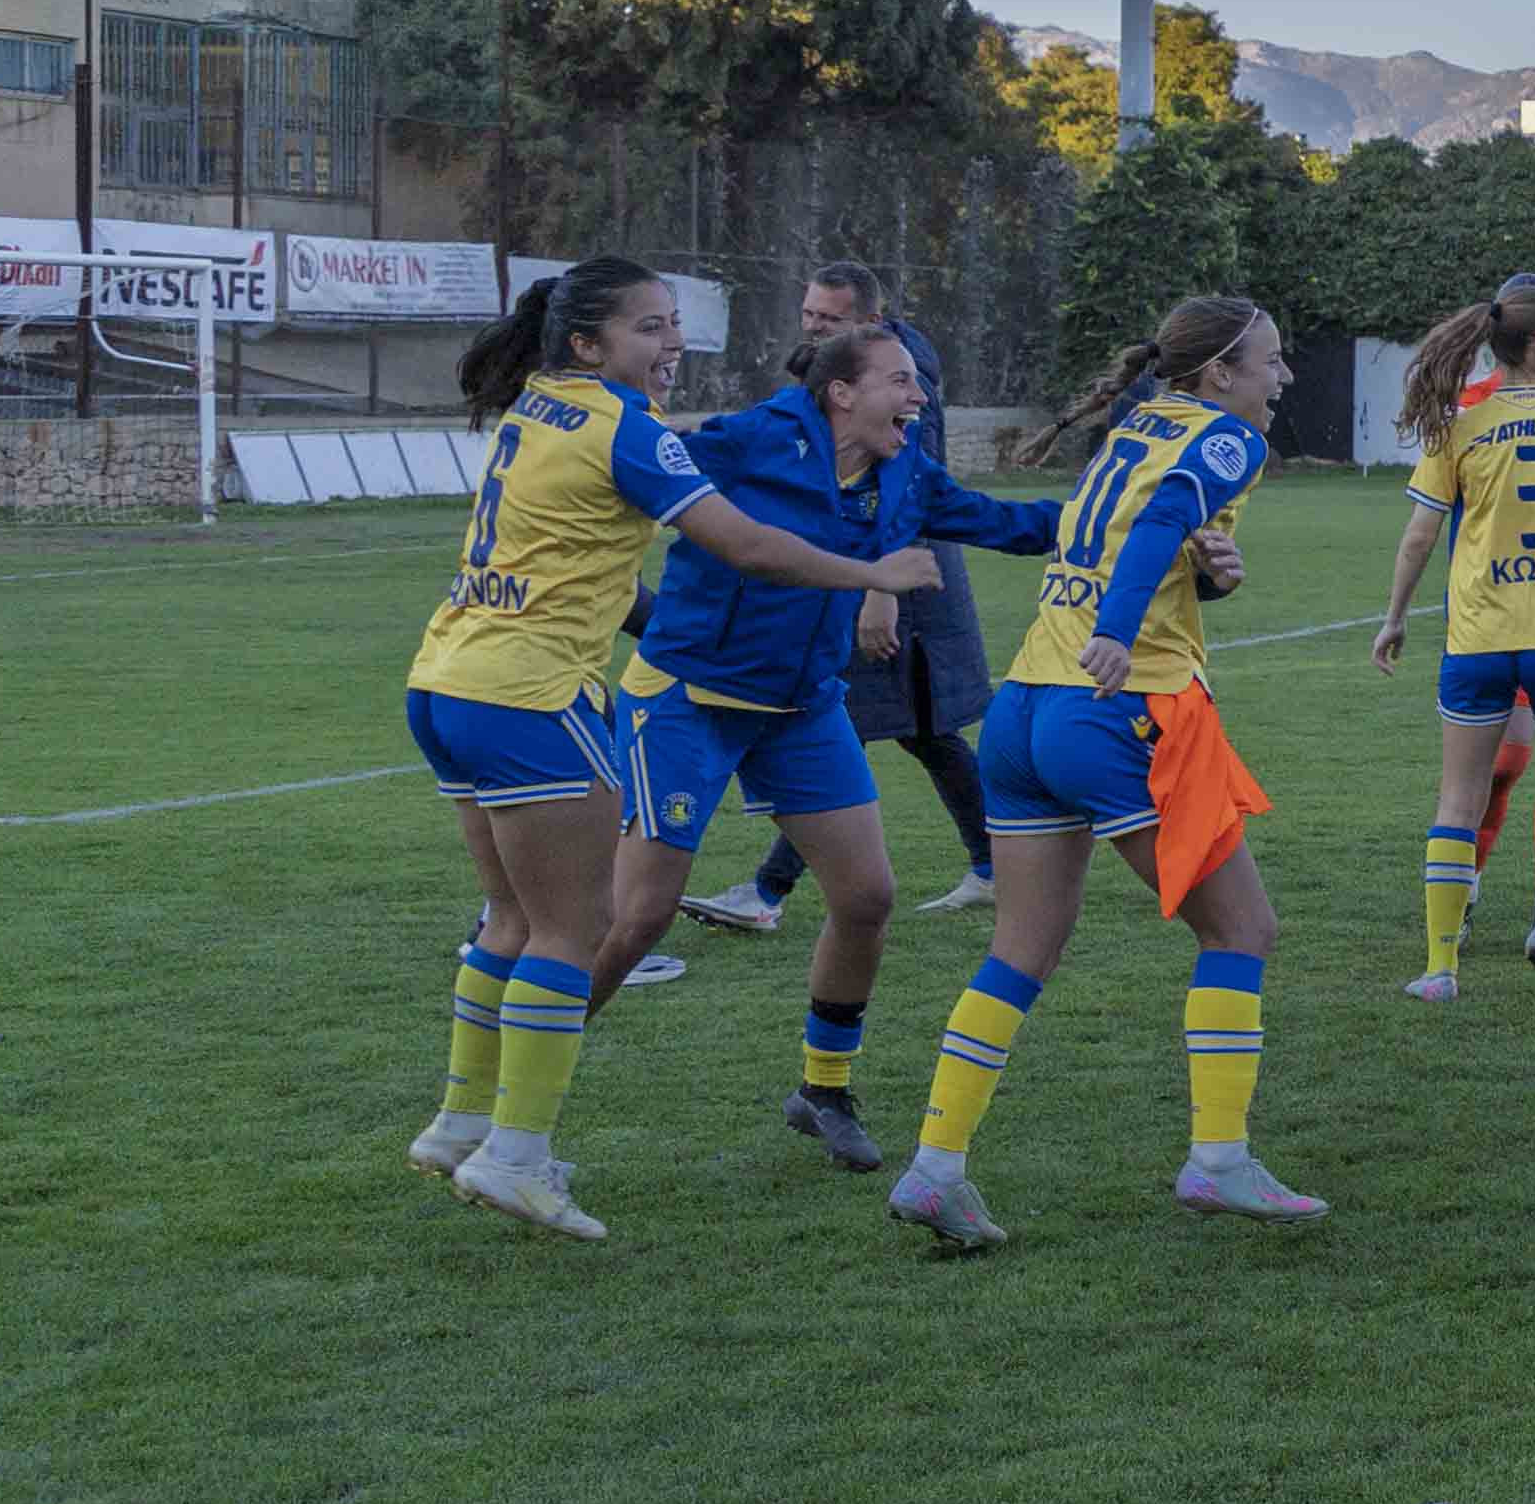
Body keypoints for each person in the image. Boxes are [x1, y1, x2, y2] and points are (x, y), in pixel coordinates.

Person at [403, 259, 942, 1243]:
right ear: (587, 343)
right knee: (579, 927)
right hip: (531, 695)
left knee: (513, 917)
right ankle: (515, 1155)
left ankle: (458, 1120)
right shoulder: (626, 428)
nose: (672, 345)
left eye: (672, 325)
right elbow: (748, 546)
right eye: (650, 329)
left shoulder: (538, 401)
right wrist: (874, 571)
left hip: (445, 677)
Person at [579, 322, 1067, 1168]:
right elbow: (626, 482)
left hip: (803, 705)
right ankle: (518, 1083)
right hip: (689, 697)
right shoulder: (750, 440)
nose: (919, 399)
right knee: (638, 916)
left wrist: (1143, 525)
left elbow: (1015, 523)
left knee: (868, 895)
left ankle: (823, 1088)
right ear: (841, 392)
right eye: (901, 382)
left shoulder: (906, 473)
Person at [887, 295, 1310, 1253]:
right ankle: (1218, 1160)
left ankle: (935, 1168)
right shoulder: (1227, 438)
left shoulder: (1138, 424)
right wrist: (1118, 635)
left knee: (1019, 950)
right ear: (1219, 375)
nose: (1283, 379)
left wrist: (1209, 575)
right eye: (1272, 363)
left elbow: (1140, 539)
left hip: (1025, 706)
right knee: (1242, 928)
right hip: (1113, 708)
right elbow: (1161, 521)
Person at [683, 262, 1002, 936]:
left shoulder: (898, 377)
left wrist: (877, 595)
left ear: (869, 321)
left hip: (893, 580)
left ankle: (767, 891)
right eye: (808, 315)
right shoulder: (862, 369)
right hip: (885, 573)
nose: (812, 327)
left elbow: (908, 484)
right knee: (924, 730)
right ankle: (996, 862)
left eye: (828, 319)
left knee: (837, 720)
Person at [1372, 275, 1535, 1005]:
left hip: (1478, 637)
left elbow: (1421, 534)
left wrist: (1394, 618)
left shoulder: (1460, 424)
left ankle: (1440, 969)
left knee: (1458, 799)